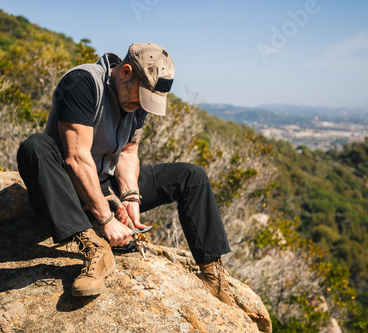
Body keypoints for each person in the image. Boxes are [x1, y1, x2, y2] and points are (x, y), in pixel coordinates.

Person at [16, 42, 235, 306]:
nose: (141, 105)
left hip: (105, 180)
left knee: (191, 177)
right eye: (141, 98)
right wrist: (107, 219)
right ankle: (93, 247)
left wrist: (130, 197)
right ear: (126, 72)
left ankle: (212, 275)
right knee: (34, 146)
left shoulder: (135, 99)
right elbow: (76, 158)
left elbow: (129, 152)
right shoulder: (82, 83)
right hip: (65, 188)